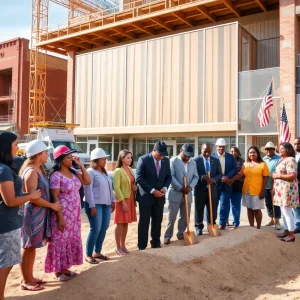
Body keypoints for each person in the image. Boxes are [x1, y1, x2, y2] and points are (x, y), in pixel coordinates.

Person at [0, 131, 41, 299]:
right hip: (6, 223)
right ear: (6, 146)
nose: (18, 147)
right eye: (16, 144)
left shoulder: (6, 167)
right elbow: (10, 201)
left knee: (7, 263)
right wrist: (30, 196)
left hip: (10, 222)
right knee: (4, 264)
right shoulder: (3, 170)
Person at [20, 140, 62, 290]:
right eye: (45, 152)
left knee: (32, 247)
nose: (47, 155)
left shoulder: (37, 169)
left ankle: (29, 277)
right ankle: (26, 280)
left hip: (38, 213)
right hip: (32, 214)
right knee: (28, 246)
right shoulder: (31, 172)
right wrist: (52, 205)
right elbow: (33, 197)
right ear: (38, 155)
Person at [45, 145, 90, 281]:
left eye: (71, 157)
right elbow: (55, 197)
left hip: (75, 214)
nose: (71, 159)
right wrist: (60, 218)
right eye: (68, 157)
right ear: (60, 159)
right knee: (60, 241)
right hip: (63, 214)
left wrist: (80, 165)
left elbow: (87, 181)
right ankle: (58, 271)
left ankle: (65, 268)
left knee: (70, 239)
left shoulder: (74, 172)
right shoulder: (56, 175)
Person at [136, 142, 172, 250]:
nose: (161, 157)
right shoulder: (143, 159)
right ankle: (142, 246)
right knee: (144, 221)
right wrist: (152, 190)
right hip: (146, 196)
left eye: (163, 155)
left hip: (160, 196)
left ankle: (155, 242)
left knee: (157, 219)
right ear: (154, 150)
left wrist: (165, 188)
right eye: (159, 154)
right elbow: (139, 178)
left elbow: (169, 177)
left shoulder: (166, 160)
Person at [84, 148, 115, 264]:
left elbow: (110, 189)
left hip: (106, 204)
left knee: (104, 227)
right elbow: (88, 190)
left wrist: (113, 200)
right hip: (95, 204)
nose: (105, 161)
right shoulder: (90, 172)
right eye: (103, 159)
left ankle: (97, 251)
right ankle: (88, 254)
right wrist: (92, 206)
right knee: (95, 228)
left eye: (105, 159)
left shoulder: (104, 172)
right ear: (96, 160)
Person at [164, 144, 199, 244]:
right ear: (181, 151)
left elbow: (196, 177)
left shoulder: (193, 163)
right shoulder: (173, 161)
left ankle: (180, 234)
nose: (187, 157)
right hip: (175, 193)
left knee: (185, 216)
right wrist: (180, 187)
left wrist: (190, 187)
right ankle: (167, 236)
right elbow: (171, 176)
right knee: (172, 216)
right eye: (186, 155)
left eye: (189, 155)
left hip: (187, 193)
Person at [230, 146, 269, 229]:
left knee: (257, 209)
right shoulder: (245, 164)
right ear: (248, 154)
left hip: (257, 190)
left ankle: (258, 227)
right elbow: (240, 174)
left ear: (257, 153)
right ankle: (251, 227)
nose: (252, 154)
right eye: (250, 152)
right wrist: (231, 180)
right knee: (249, 208)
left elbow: (266, 177)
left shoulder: (263, 164)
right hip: (246, 190)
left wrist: (263, 190)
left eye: (254, 152)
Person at [193, 143, 222, 235]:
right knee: (199, 209)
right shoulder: (195, 160)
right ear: (201, 150)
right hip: (199, 189)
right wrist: (201, 177)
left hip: (212, 189)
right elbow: (192, 174)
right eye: (205, 152)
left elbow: (220, 174)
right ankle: (199, 226)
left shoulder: (215, 160)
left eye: (209, 152)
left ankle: (211, 225)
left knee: (212, 208)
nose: (207, 154)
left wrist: (213, 179)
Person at [273, 142, 299, 242]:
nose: (280, 149)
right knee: (283, 211)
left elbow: (293, 175)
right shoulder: (281, 160)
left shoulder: (291, 160)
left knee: (287, 211)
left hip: (287, 190)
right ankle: (286, 230)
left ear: (288, 150)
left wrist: (278, 176)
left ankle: (291, 234)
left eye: (282, 148)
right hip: (280, 190)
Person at [113, 150, 137, 255]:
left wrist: (134, 188)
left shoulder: (130, 169)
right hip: (122, 200)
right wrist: (123, 202)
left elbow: (131, 182)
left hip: (131, 198)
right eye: (128, 158)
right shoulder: (118, 171)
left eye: (131, 158)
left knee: (126, 223)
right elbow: (117, 188)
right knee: (120, 223)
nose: (130, 160)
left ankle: (123, 245)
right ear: (122, 159)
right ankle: (117, 247)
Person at [212, 138, 236, 230]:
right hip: (215, 184)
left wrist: (227, 177)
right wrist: (219, 177)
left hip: (226, 185)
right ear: (216, 147)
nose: (221, 148)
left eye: (223, 147)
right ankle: (212, 222)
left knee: (224, 204)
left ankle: (222, 223)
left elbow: (234, 169)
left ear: (225, 147)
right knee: (214, 204)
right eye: (219, 147)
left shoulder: (230, 157)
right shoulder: (212, 156)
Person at [262, 141, 281, 229]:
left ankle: (277, 221)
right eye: (267, 149)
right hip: (266, 184)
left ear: (274, 149)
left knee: (276, 203)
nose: (268, 150)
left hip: (276, 185)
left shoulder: (279, 158)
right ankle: (271, 219)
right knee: (268, 203)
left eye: (270, 149)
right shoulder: (263, 159)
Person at [229, 146, 244, 228]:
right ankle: (225, 221)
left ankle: (236, 222)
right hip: (227, 185)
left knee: (236, 205)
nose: (232, 153)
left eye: (234, 151)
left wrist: (233, 179)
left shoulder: (242, 162)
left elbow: (243, 174)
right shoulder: (227, 160)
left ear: (238, 152)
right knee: (226, 204)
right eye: (231, 151)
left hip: (237, 186)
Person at [293, 137, 300, 234]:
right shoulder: (293, 156)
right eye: (295, 144)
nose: (297, 145)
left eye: (298, 143)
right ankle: (297, 225)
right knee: (295, 206)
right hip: (294, 185)